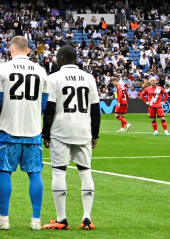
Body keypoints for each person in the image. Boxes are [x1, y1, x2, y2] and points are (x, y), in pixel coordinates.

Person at [0, 36, 48, 231]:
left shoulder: (3, 69)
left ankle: (4, 219)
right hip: (33, 130)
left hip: (8, 129)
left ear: (11, 49)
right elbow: (44, 103)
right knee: (34, 173)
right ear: (28, 51)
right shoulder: (41, 71)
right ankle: (36, 220)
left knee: (5, 172)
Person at [41, 45, 100, 230]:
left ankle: (61, 219)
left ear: (61, 58)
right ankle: (87, 219)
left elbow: (50, 108)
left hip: (61, 131)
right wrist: (95, 134)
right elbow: (96, 110)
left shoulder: (54, 78)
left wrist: (46, 132)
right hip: (83, 132)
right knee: (85, 172)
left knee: (59, 172)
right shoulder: (89, 78)